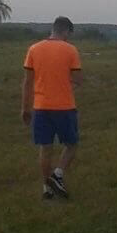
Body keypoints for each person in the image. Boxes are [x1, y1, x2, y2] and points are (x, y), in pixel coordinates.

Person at [21, 16, 82, 200]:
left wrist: (25, 108)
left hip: (40, 107)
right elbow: (78, 80)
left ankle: (46, 188)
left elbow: (27, 82)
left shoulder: (34, 49)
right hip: (64, 106)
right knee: (71, 144)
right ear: (67, 31)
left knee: (45, 148)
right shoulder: (71, 50)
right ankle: (58, 174)